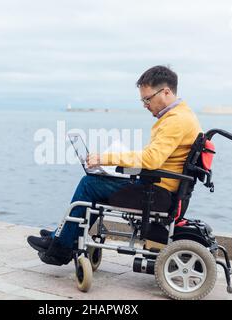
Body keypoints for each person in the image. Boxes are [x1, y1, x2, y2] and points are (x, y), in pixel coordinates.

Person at [27, 65, 202, 263]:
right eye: (143, 100)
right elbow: (155, 157)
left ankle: (60, 248)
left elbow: (152, 159)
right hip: (159, 187)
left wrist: (105, 158)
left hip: (157, 194)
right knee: (96, 180)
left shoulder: (176, 120)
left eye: (148, 99)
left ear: (166, 92)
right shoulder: (182, 115)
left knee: (89, 184)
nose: (145, 105)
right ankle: (61, 236)